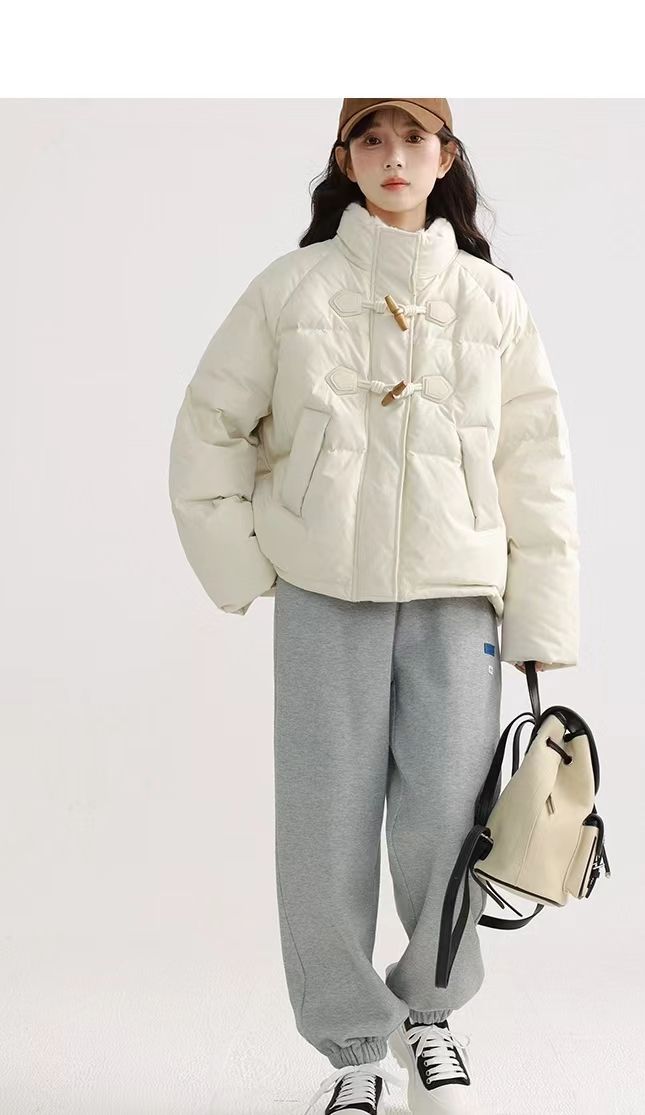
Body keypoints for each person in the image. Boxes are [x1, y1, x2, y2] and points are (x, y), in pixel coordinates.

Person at [168, 98, 580, 1115]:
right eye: (373, 139)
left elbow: (537, 467)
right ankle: (353, 1044)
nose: (394, 157)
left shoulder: (492, 301)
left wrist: (541, 622)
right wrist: (249, 568)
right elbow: (209, 425)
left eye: (413, 139)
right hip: (326, 595)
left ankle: (429, 1016)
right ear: (345, 159)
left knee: (449, 823)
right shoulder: (290, 289)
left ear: (446, 157)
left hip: (458, 600)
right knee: (322, 828)